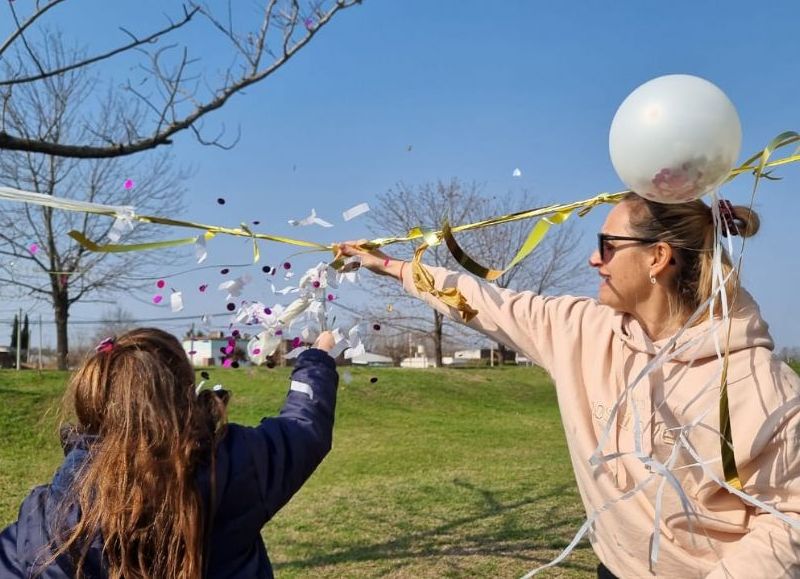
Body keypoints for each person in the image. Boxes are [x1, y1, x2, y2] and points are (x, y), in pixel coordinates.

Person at [336, 193, 800, 578]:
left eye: (608, 245)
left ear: (658, 257)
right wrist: (393, 267)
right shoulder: (582, 329)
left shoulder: (764, 385)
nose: (594, 258)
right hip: (612, 568)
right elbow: (486, 301)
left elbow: (788, 524)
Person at [0, 327, 338, 578]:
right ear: (183, 392)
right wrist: (317, 360)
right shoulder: (235, 464)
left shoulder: (55, 511)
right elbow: (304, 426)